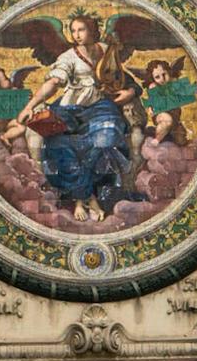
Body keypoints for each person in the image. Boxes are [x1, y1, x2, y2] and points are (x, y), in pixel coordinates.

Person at [12, 12, 144, 222]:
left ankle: (83, 195)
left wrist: (131, 91)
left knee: (106, 139)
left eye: (81, 30)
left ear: (92, 30)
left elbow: (119, 76)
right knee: (57, 142)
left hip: (101, 107)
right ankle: (87, 198)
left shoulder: (106, 50)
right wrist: (30, 106)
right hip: (70, 108)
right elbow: (53, 83)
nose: (76, 35)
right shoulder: (68, 58)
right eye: (73, 31)